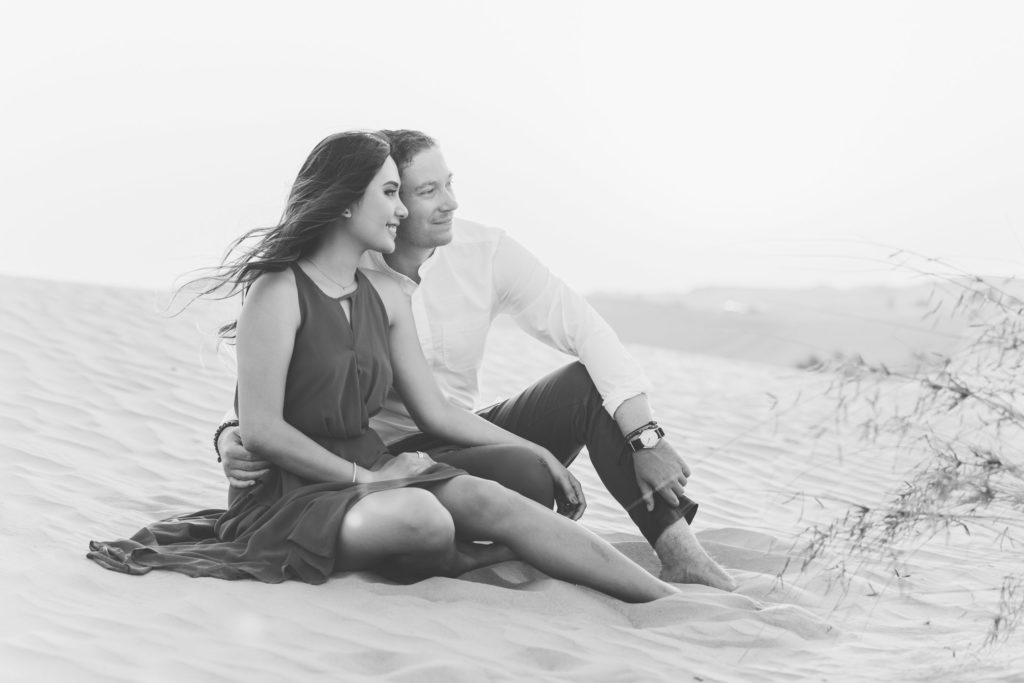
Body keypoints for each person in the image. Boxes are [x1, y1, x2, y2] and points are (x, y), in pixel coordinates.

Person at [87, 131, 684, 603]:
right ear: (348, 201)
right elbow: (263, 421)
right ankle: (464, 558)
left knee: (491, 497)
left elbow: (436, 410)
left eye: (408, 192)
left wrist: (543, 454)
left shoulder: (388, 298)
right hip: (295, 490)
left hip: (380, 466)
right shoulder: (278, 290)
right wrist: (354, 477)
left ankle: (664, 596)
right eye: (393, 193)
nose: (405, 210)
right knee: (423, 518)